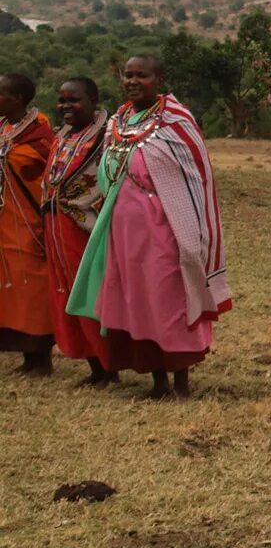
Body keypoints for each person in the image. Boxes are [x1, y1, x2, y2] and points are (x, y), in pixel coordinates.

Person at [66, 56, 230, 399]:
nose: (133, 81)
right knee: (138, 299)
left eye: (143, 75)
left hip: (166, 227)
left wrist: (192, 235)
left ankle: (181, 381)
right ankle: (157, 381)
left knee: (169, 298)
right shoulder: (118, 121)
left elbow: (195, 177)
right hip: (124, 230)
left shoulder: (176, 121)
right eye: (128, 75)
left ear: (160, 79)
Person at [42, 78, 114, 386]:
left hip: (89, 226)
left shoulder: (107, 136)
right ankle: (94, 366)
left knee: (92, 293)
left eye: (75, 100)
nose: (65, 107)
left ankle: (110, 364)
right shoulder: (63, 136)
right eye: (62, 100)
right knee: (67, 294)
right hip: (58, 227)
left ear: (94, 101)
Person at [1, 72, 56, 375]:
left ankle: (40, 356)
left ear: (18, 99)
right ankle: (21, 351)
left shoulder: (39, 134)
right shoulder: (4, 128)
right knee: (10, 288)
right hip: (5, 222)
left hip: (29, 224)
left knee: (32, 286)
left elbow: (49, 178)